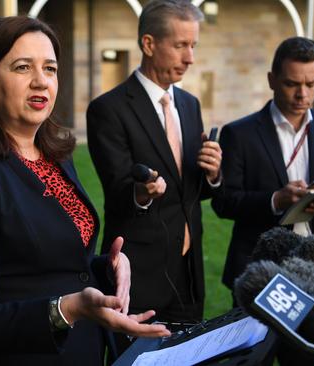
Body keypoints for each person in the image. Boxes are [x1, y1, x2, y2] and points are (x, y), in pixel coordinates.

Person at [0, 16, 170, 365]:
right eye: (22, 67)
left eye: (51, 69)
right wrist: (68, 309)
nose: (41, 82)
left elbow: (59, 265)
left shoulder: (57, 156)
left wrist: (107, 268)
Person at [211, 36, 314, 365]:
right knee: (251, 359)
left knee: (303, 360)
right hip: (255, 268)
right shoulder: (240, 133)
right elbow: (224, 202)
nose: (302, 94)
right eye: (292, 83)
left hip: (313, 271)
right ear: (272, 80)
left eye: (311, 84)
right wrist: (276, 199)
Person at [86, 0, 222, 349]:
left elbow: (192, 192)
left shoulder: (190, 105)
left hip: (189, 274)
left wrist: (213, 173)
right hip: (137, 274)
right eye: (180, 45)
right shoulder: (108, 110)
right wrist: (142, 192)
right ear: (148, 44)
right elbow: (117, 192)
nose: (190, 57)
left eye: (193, 46)